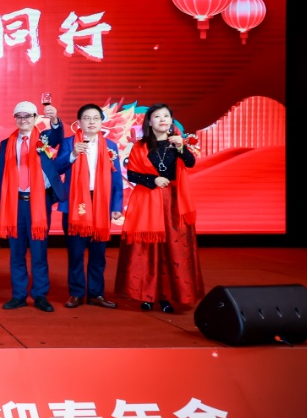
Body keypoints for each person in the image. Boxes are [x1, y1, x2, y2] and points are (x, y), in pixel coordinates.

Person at [115, 103, 203, 314]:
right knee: (147, 249)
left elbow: (190, 163)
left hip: (173, 203)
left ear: (171, 121)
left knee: (172, 249)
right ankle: (146, 295)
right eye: (157, 116)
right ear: (149, 122)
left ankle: (166, 297)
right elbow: (132, 174)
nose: (162, 119)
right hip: (148, 202)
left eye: (166, 116)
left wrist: (181, 147)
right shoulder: (140, 146)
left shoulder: (177, 143)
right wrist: (153, 179)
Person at [0, 100, 64, 312]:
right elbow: (1, 176)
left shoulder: (44, 139)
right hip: (14, 203)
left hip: (38, 203)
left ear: (35, 118)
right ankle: (18, 295)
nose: (23, 120)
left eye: (28, 116)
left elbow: (58, 135)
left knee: (39, 252)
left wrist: (54, 119)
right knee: (16, 253)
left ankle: (40, 295)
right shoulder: (6, 144)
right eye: (19, 116)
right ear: (15, 119)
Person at [54, 104, 123, 309]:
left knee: (98, 254)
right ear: (79, 122)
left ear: (101, 122)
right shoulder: (69, 143)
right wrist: (73, 154)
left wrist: (116, 205)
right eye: (87, 118)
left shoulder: (110, 146)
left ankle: (96, 293)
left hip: (101, 204)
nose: (91, 122)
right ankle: (76, 293)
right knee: (76, 253)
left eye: (95, 118)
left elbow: (116, 178)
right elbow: (56, 169)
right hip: (75, 204)